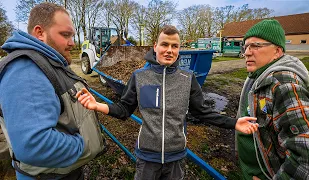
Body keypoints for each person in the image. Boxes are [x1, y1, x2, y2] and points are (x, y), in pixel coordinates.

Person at [76, 25, 258, 179]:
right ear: (155, 46)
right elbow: (124, 110)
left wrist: (234, 123)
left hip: (175, 159)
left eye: (174, 46)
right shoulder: (139, 77)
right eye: (164, 44)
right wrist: (97, 105)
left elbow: (203, 113)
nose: (169, 50)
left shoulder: (187, 78)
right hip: (147, 159)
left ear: (179, 49)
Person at [0, 2, 105, 179]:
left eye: (72, 35)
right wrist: (85, 145)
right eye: (65, 35)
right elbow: (34, 145)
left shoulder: (47, 63)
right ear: (40, 33)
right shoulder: (26, 70)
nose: (72, 43)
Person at [236, 19, 309, 180]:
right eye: (246, 46)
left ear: (277, 51)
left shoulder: (284, 85)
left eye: (255, 46)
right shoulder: (257, 77)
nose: (246, 52)